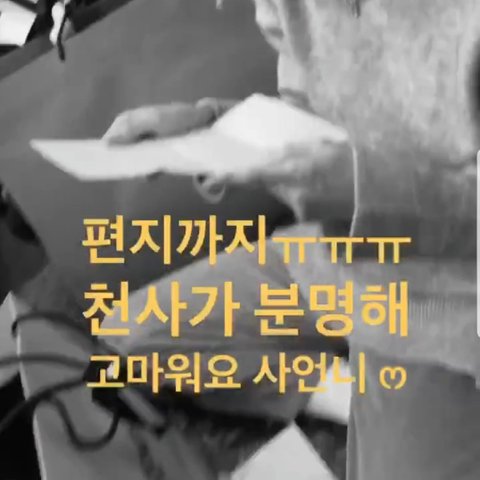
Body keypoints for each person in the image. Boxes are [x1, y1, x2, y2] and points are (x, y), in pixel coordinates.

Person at [101, 1, 479, 479]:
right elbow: (312, 115)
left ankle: (391, 405)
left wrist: (366, 185)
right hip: (342, 251)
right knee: (134, 334)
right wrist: (215, 127)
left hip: (455, 300)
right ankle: (352, 391)